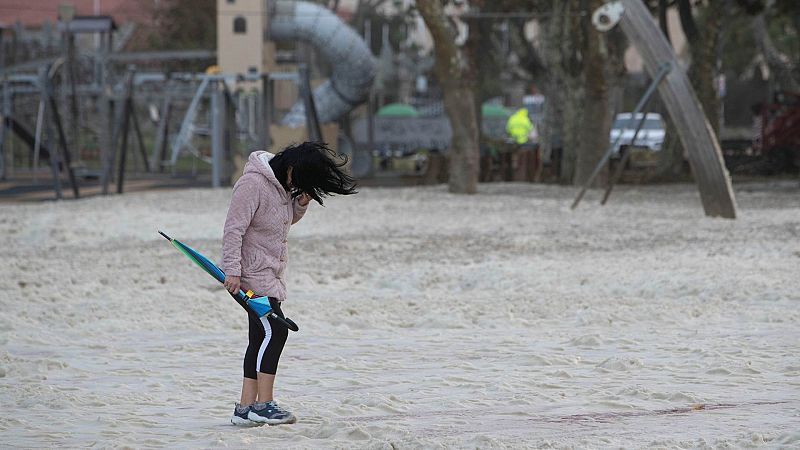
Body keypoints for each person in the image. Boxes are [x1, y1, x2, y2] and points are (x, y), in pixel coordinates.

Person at [222, 142, 357, 425]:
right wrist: (232, 271)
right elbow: (234, 229)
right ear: (292, 168)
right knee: (276, 332)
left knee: (259, 337)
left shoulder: (283, 186)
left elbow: (281, 222)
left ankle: (245, 408)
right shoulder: (252, 184)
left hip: (271, 274)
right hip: (251, 277)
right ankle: (264, 404)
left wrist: (300, 204)